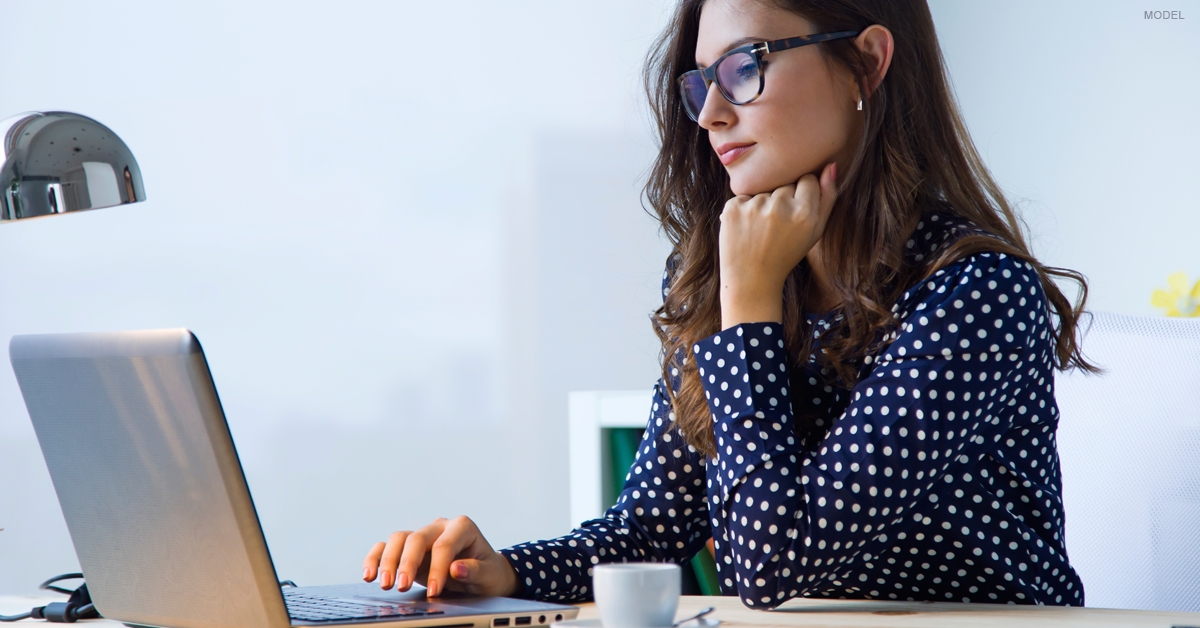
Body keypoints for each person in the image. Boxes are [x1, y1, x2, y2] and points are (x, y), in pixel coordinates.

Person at [361, 0, 1097, 609]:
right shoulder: (723, 274)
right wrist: (502, 573)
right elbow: (649, 532)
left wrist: (747, 307)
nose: (710, 112)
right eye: (702, 81)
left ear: (866, 62)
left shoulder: (975, 291)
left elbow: (768, 569)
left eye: (746, 66)